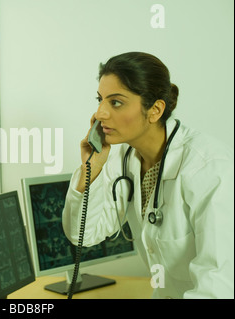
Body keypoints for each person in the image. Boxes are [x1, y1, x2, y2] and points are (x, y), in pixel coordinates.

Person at [62, 52, 234, 299]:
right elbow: (85, 235)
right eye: (100, 99)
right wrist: (92, 169)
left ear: (155, 110)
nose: (100, 113)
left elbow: (218, 287)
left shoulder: (210, 168)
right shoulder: (123, 159)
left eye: (116, 102)